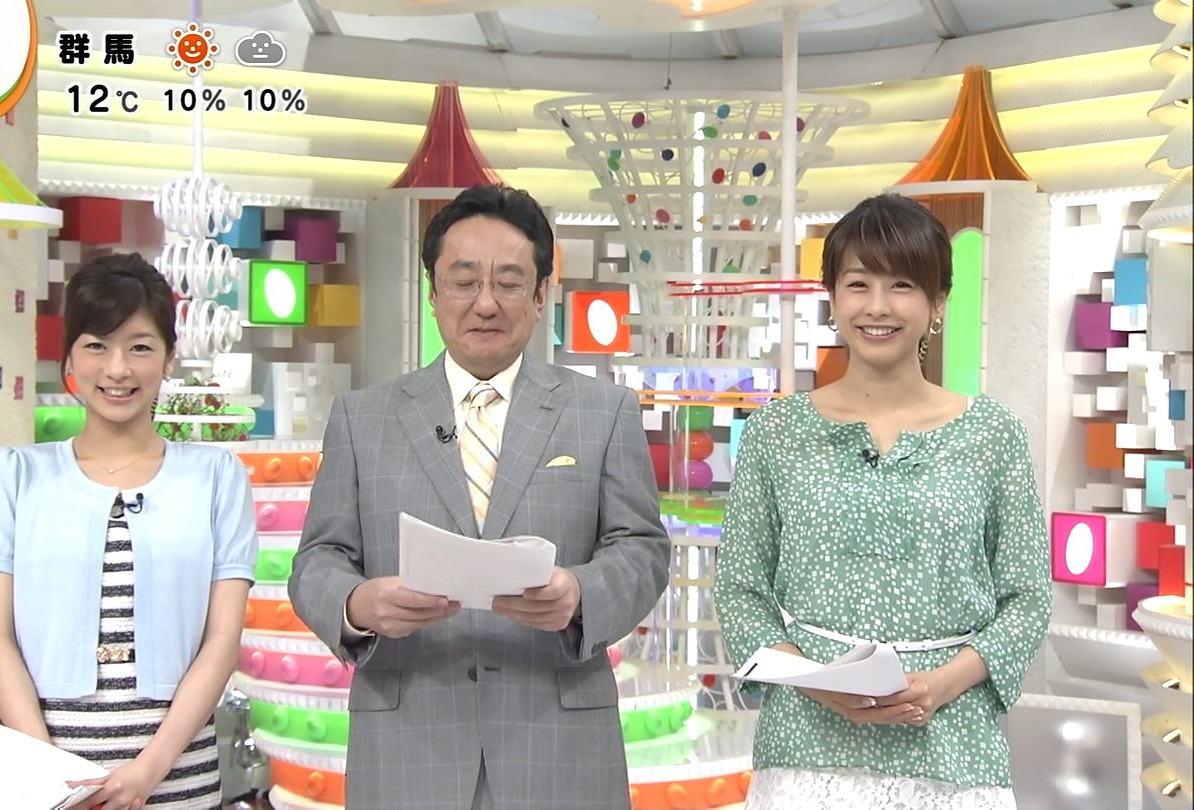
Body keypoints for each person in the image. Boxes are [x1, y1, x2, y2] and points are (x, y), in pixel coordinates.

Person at [288, 183, 671, 810]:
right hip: (408, 745)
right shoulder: (363, 418)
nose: (485, 303)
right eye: (464, 282)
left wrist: (579, 595)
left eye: (509, 282)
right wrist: (358, 604)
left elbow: (643, 551)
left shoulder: (603, 412)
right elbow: (317, 561)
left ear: (541, 294)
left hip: (559, 747)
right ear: (433, 293)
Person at [714, 193, 1052, 809]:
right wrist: (815, 683)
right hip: (806, 747)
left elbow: (1027, 598)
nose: (877, 306)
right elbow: (741, 592)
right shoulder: (775, 433)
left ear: (937, 302)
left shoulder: (992, 434)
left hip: (953, 748)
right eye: (857, 284)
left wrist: (942, 685)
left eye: (902, 284)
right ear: (832, 298)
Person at [0, 253, 257, 810]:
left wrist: (150, 770)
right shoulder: (14, 476)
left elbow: (222, 642)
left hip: (177, 781)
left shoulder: (217, 478)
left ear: (169, 358)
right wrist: (50, 778)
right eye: (97, 345)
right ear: (70, 357)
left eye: (140, 347)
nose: (117, 369)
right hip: (38, 782)